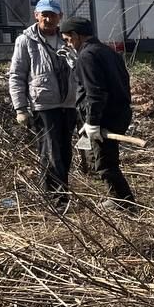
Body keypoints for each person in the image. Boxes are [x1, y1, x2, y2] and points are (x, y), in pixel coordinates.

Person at [59, 17, 137, 210]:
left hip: (104, 117)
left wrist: (93, 121)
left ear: (77, 36)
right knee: (103, 157)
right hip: (119, 113)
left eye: (68, 39)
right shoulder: (107, 51)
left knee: (104, 162)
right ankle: (118, 198)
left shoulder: (88, 56)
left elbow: (95, 92)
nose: (68, 44)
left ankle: (123, 201)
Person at [7, 0, 77, 211]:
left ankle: (57, 193)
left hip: (68, 104)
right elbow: (17, 75)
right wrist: (21, 108)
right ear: (36, 15)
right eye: (44, 14)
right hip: (44, 105)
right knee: (51, 151)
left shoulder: (66, 38)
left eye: (52, 15)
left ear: (60, 17)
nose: (48, 19)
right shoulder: (26, 40)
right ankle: (56, 199)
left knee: (65, 152)